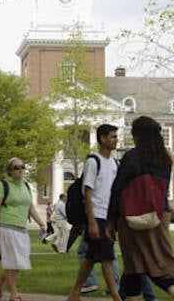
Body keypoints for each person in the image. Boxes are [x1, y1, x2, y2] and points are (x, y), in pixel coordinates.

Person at [108, 116, 174, 301]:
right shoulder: (164, 159)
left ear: (138, 135)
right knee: (154, 264)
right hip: (158, 216)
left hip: (132, 217)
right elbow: (162, 192)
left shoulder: (131, 157)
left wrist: (111, 220)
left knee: (134, 264)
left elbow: (118, 189)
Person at [67, 124, 121, 301]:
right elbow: (87, 192)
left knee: (91, 257)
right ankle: (116, 296)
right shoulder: (93, 161)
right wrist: (91, 221)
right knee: (106, 257)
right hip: (97, 216)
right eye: (112, 137)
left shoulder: (114, 163)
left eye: (116, 136)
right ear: (102, 139)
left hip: (107, 217)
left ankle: (75, 292)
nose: (116, 140)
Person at [0, 157, 47, 301]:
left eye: (22, 167)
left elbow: (31, 207)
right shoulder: (1, 186)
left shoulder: (26, 186)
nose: (21, 170)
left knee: (19, 262)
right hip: (6, 227)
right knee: (11, 261)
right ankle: (14, 295)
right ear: (9, 171)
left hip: (21, 229)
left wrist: (41, 223)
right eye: (16, 167)